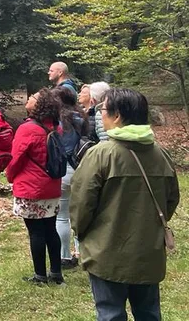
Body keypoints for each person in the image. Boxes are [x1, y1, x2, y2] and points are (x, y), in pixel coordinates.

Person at [71, 89, 180, 321]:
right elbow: (171, 200)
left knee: (110, 313)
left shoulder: (100, 154)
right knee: (149, 313)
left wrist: (83, 235)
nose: (101, 115)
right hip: (148, 252)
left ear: (117, 116)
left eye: (103, 110)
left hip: (105, 252)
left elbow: (81, 205)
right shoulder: (161, 155)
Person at [6, 89, 65, 285]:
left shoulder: (27, 129)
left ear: (39, 105)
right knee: (51, 229)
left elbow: (16, 159)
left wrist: (10, 176)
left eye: (33, 97)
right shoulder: (55, 127)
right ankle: (56, 273)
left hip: (31, 187)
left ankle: (40, 275)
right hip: (52, 185)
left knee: (36, 232)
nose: (29, 98)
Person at [51, 87, 89, 269]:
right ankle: (82, 252)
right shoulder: (81, 118)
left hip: (61, 171)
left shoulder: (54, 121)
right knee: (80, 215)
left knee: (62, 217)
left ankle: (64, 256)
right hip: (80, 168)